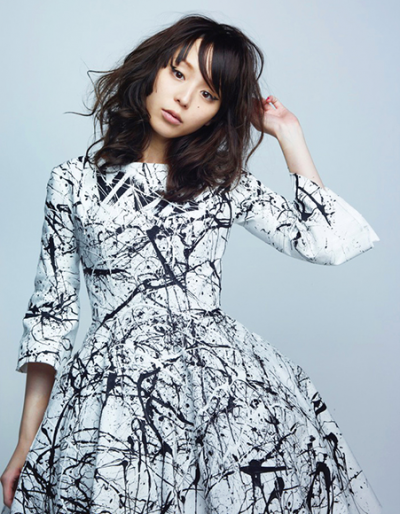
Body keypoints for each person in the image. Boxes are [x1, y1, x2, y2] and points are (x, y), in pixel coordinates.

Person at [1, 13, 382, 514]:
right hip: (113, 400)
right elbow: (51, 319)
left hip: (223, 397)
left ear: (220, 111)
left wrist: (288, 133)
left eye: (208, 94)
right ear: (152, 69)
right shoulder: (74, 182)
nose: (184, 99)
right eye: (178, 74)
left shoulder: (223, 182)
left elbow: (327, 241)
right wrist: (25, 444)